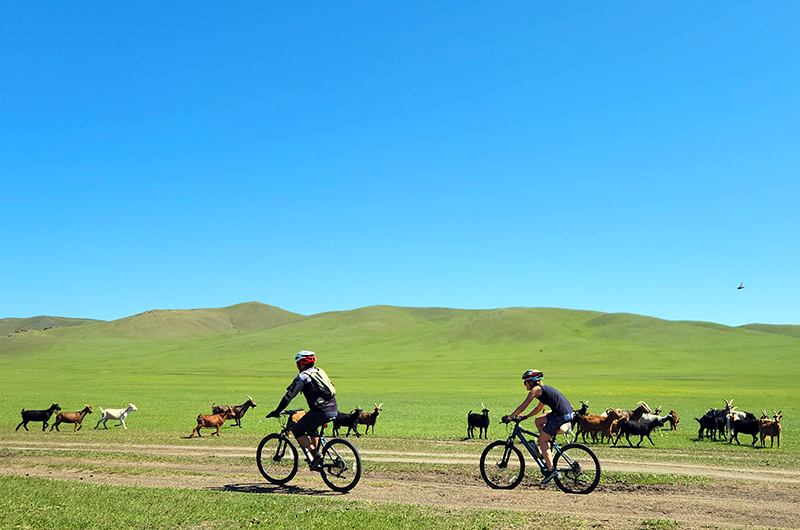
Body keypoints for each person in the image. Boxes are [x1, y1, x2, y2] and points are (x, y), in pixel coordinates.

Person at [266, 350, 338, 469]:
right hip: (333, 408)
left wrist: (277, 411)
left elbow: (288, 396)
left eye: (297, 364)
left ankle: (314, 453)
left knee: (298, 430)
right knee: (311, 428)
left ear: (302, 364)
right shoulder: (320, 371)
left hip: (320, 411)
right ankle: (315, 460)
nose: (297, 367)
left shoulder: (303, 377)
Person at [502, 369, 573, 483]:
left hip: (560, 415)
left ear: (532, 381)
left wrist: (510, 417)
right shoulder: (542, 390)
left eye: (525, 382)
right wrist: (526, 416)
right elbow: (539, 409)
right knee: (538, 421)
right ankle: (546, 447)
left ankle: (550, 469)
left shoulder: (535, 390)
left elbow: (523, 406)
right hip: (565, 413)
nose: (524, 385)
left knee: (542, 441)